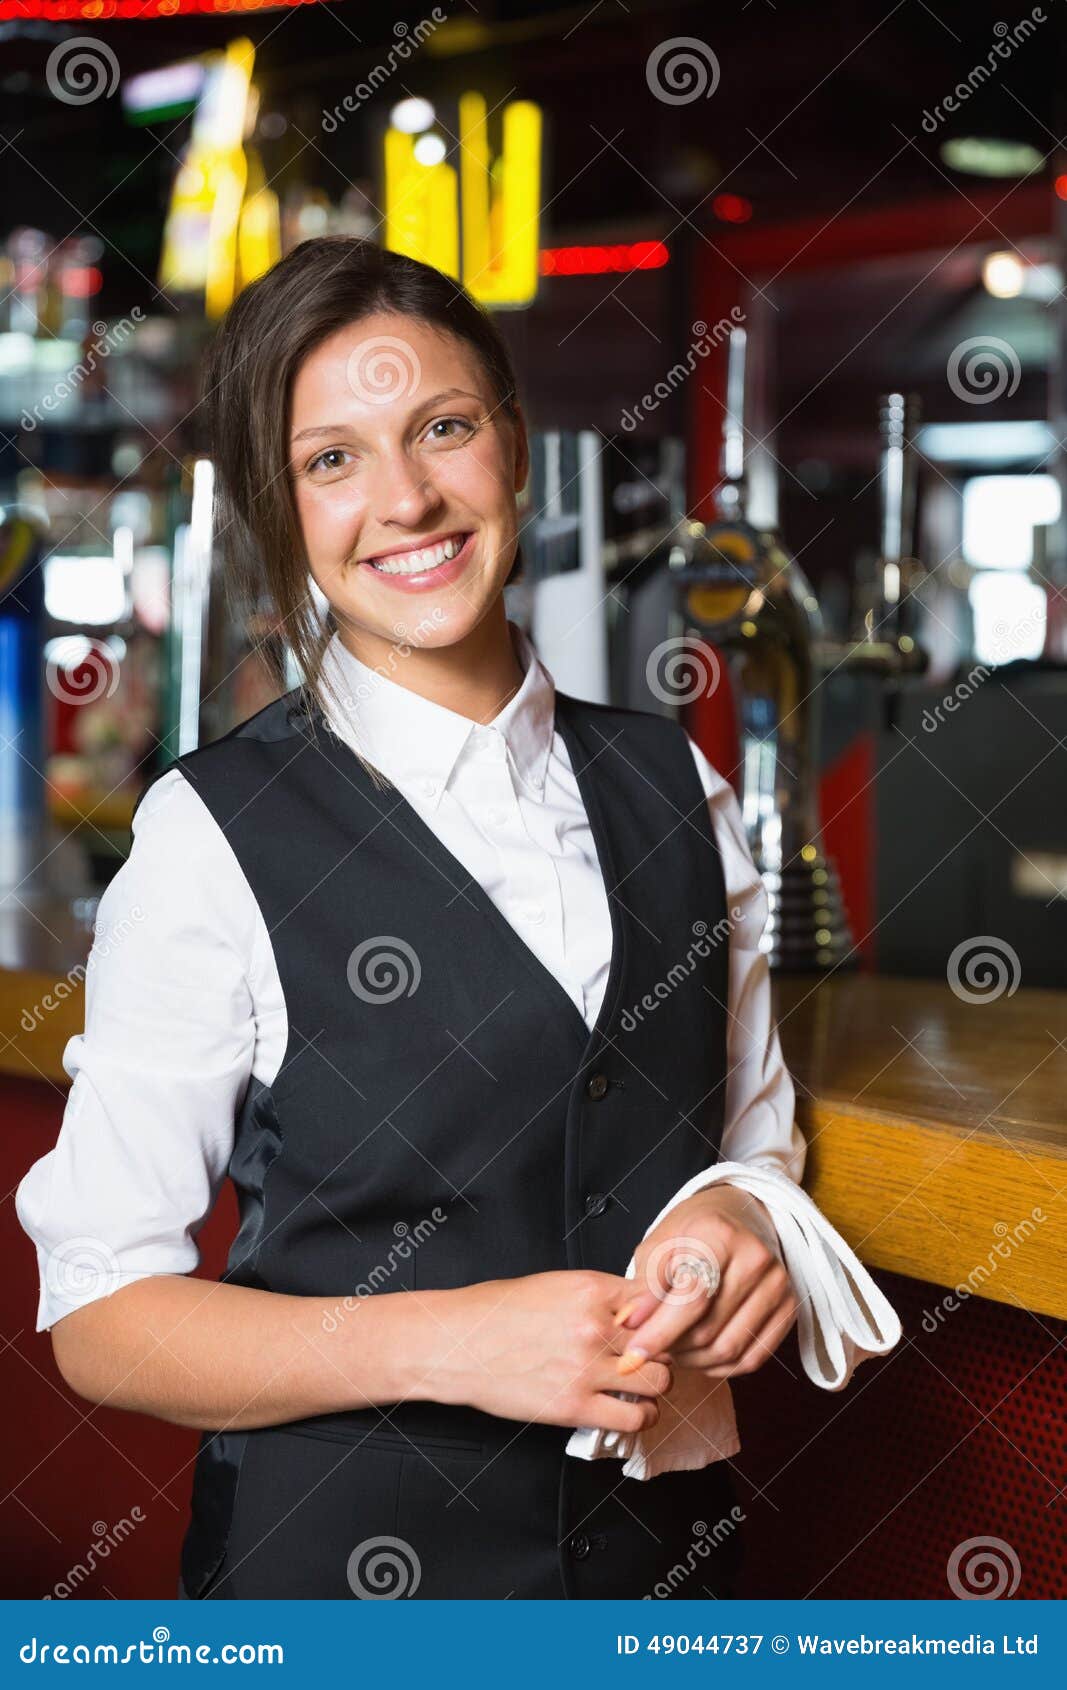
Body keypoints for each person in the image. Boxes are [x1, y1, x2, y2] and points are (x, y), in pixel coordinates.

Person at [16, 236, 805, 1601]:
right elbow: (101, 1315)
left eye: (442, 428)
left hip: (661, 1573)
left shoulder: (683, 782)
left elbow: (754, 1139)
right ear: (285, 508)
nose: (406, 498)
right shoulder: (214, 832)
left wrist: (746, 1220)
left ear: (510, 442)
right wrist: (446, 1340)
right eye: (333, 459)